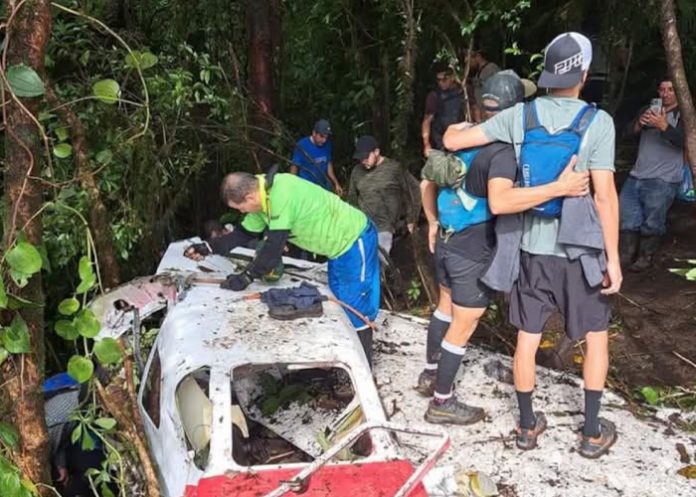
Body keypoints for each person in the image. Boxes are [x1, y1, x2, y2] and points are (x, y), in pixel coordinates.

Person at [443, 32, 621, 458]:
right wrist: (612, 259)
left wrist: (459, 126)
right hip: (582, 252)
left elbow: (452, 142)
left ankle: (527, 427)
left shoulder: (520, 116)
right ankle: (592, 433)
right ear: (582, 73)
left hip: (531, 249)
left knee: (527, 337)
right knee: (596, 337)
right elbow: (604, 196)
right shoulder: (599, 123)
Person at [417, 70, 590, 426]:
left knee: (444, 308)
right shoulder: (502, 153)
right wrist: (558, 189)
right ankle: (442, 400)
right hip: (471, 249)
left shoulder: (461, 136)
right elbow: (500, 202)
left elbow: (425, 181)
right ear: (514, 110)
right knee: (463, 325)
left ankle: (430, 373)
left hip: (448, 241)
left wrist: (432, 221)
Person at [184, 168, 379, 364]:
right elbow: (243, 233)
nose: (241, 212)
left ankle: (364, 367)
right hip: (336, 249)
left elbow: (272, 249)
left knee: (354, 302)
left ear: (249, 197)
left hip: (354, 239)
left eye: (240, 208)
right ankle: (350, 352)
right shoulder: (262, 197)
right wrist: (208, 247)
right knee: (341, 296)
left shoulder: (282, 194)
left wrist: (247, 277)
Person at [619, 78, 683, 271]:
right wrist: (640, 122)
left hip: (663, 178)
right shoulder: (649, 109)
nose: (665, 94)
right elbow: (626, 134)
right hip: (637, 174)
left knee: (653, 221)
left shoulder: (685, 115)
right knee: (627, 216)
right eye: (662, 90)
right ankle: (625, 256)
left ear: (678, 92)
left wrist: (664, 126)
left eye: (670, 90)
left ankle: (645, 258)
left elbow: (686, 142)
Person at [348, 135, 421, 259]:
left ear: (376, 152)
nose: (363, 161)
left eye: (366, 157)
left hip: (385, 226)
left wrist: (412, 218)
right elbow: (352, 199)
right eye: (360, 158)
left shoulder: (394, 168)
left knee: (379, 262)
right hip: (364, 227)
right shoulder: (357, 171)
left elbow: (414, 190)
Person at [290, 118, 343, 195]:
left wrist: (336, 183)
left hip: (323, 186)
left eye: (326, 137)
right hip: (307, 188)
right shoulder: (302, 145)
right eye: (321, 136)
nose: (324, 140)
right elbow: (294, 167)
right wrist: (292, 186)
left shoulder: (327, 144)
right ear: (314, 133)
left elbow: (328, 164)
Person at [422, 65, 465, 157]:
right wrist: (426, 143)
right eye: (438, 80)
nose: (441, 83)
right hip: (440, 142)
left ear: (452, 77)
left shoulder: (463, 93)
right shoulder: (434, 96)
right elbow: (427, 120)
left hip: (461, 139)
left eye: (444, 80)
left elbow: (473, 110)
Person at [466, 49, 501, 123]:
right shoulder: (478, 72)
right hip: (481, 114)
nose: (468, 63)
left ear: (478, 56)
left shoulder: (492, 68)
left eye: (470, 60)